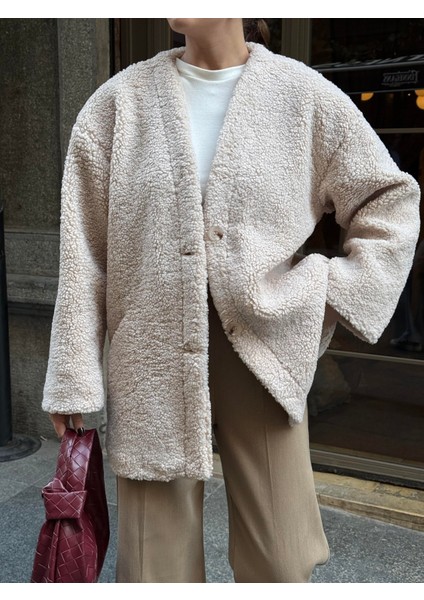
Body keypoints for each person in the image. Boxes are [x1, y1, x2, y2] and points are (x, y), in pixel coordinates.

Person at [43, 18, 421, 583]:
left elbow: (389, 200)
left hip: (263, 344)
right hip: (149, 358)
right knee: (154, 567)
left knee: (282, 558)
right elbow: (84, 253)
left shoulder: (302, 95)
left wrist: (328, 291)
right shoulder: (117, 105)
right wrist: (72, 374)